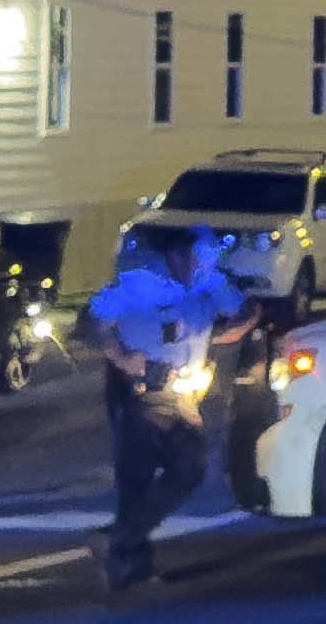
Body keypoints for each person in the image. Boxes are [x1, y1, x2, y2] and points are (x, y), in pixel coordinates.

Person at [84, 224, 259, 592]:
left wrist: (222, 339)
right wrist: (120, 355)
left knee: (188, 468)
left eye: (206, 267)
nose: (200, 275)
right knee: (138, 476)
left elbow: (246, 312)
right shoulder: (140, 280)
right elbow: (91, 322)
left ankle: (119, 542)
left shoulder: (209, 280)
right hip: (140, 389)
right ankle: (130, 566)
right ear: (177, 255)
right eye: (195, 265)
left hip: (181, 392)